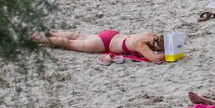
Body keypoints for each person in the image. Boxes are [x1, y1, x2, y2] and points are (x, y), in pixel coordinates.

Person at [32, 30, 164, 64]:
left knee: (80, 36)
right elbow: (154, 58)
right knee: (72, 44)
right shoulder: (141, 45)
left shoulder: (149, 35)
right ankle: (44, 39)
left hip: (112, 35)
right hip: (105, 44)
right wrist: (170, 54)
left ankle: (53, 33)